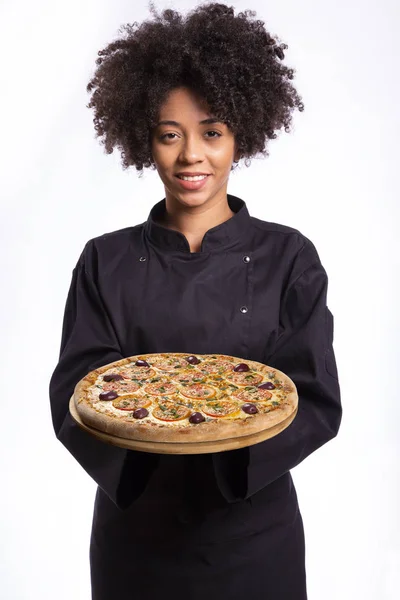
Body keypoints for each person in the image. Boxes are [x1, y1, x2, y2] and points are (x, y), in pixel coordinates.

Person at [49, 3, 342, 599]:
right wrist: (149, 447)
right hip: (137, 539)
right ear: (144, 140)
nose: (191, 157)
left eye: (211, 132)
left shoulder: (290, 258)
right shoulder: (102, 260)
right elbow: (74, 390)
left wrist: (226, 457)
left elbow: (314, 396)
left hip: (254, 537)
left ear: (241, 137)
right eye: (169, 135)